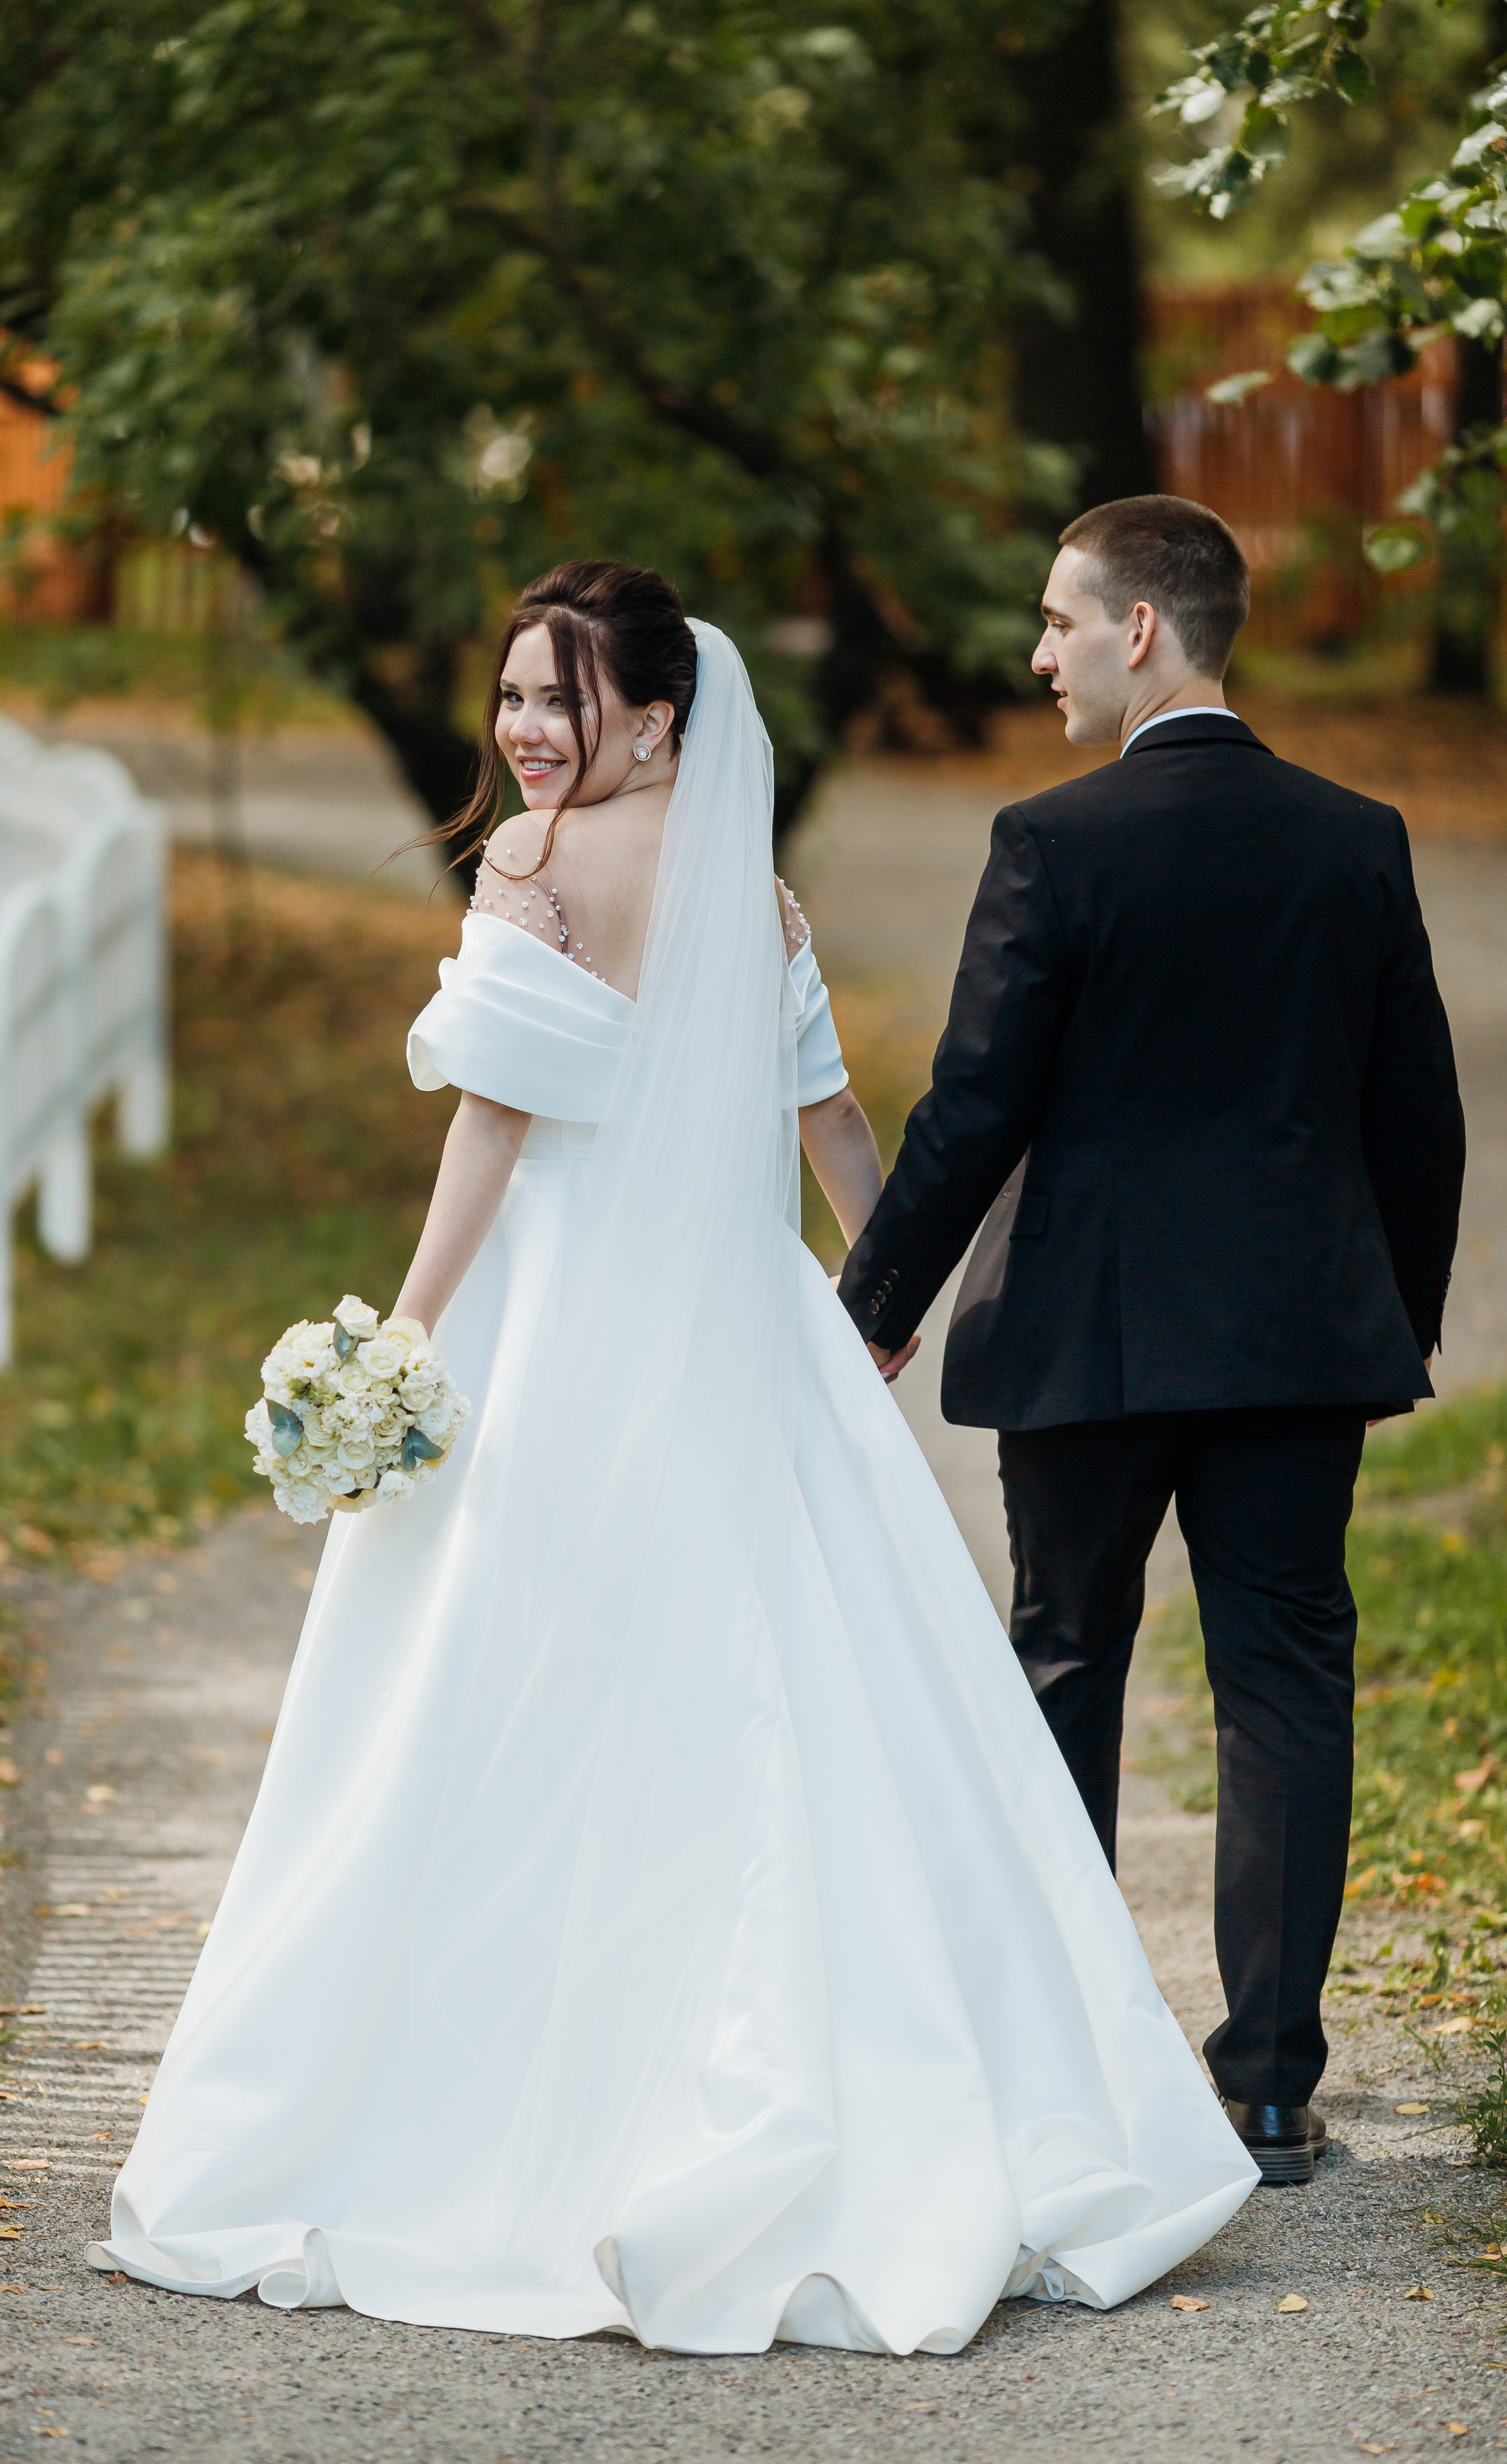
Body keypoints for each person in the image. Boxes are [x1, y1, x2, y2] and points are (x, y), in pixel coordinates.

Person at [90, 560, 1254, 2350]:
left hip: (563, 1330)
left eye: (561, 700)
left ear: (654, 715)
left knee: (509, 1692)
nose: (526, 734)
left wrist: (400, 1339)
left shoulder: (536, 870)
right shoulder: (748, 896)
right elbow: (829, 1122)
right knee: (792, 1681)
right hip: (738, 1329)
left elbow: (492, 1127)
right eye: (512, 699)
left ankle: (530, 2117)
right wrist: (883, 1294)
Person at [838, 497, 1466, 2187]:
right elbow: (1423, 1117)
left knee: (1065, 1664)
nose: (1036, 653)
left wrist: (868, 1313)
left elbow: (974, 1110)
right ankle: (1268, 2086)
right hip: (1290, 1347)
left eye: (1060, 621)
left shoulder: (1056, 843)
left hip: (1088, 1340)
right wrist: (1383, 1322)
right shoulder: (1356, 838)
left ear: (1141, 632)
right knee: (1283, 1690)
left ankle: (1067, 2070)